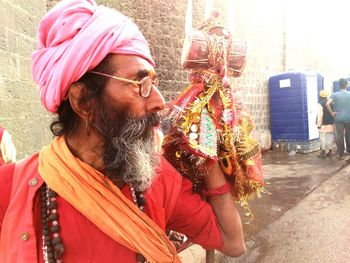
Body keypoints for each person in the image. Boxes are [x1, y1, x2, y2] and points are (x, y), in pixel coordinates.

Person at [0, 1, 245, 262]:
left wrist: (206, 155)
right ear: (82, 101)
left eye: (154, 83)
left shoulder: (156, 178)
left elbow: (232, 243)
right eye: (140, 83)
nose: (159, 101)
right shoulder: (10, 188)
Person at [326, 78, 350, 160]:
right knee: (348, 135)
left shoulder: (335, 95)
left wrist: (332, 113)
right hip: (349, 119)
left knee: (339, 137)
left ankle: (341, 153)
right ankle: (349, 151)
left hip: (338, 119)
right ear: (346, 85)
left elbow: (327, 104)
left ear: (339, 85)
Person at [316, 90, 334, 158]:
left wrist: (318, 124)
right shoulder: (331, 102)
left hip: (323, 123)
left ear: (320, 96)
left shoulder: (320, 103)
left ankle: (323, 152)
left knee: (322, 137)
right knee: (330, 136)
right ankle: (329, 152)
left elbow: (320, 115)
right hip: (330, 122)